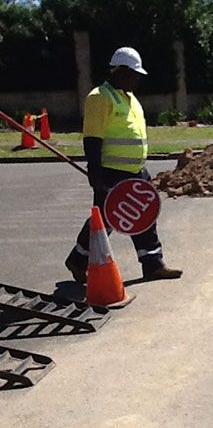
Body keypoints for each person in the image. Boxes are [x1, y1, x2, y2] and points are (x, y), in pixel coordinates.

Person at [66, 47, 182, 284]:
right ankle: (78, 260)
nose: (137, 79)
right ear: (119, 71)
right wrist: (95, 172)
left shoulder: (129, 98)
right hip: (111, 172)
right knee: (106, 220)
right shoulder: (100, 97)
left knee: (145, 214)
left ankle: (153, 265)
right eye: (134, 74)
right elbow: (92, 138)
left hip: (136, 170)